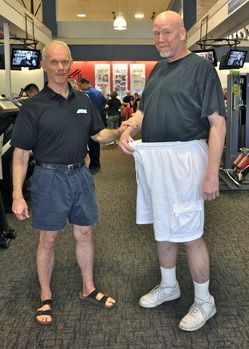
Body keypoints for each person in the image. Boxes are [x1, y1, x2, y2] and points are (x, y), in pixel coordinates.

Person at [119, 11, 226, 332]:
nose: (161, 39)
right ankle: (169, 286)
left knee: (190, 234)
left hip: (186, 158)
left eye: (167, 33)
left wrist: (212, 172)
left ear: (182, 33)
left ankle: (205, 300)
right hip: (155, 160)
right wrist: (128, 128)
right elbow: (143, 112)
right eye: (156, 33)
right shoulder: (156, 71)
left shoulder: (201, 69)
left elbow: (217, 124)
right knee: (163, 228)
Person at [11, 40, 123, 326]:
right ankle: (45, 296)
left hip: (80, 177)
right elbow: (21, 155)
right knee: (48, 239)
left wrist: (122, 131)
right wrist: (17, 195)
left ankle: (88, 287)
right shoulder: (32, 107)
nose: (60, 68)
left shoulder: (84, 100)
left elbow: (98, 135)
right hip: (49, 178)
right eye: (54, 62)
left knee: (85, 233)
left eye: (65, 62)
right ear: (44, 64)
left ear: (71, 63)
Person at [79, 78, 107, 174]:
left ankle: (92, 165)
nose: (80, 88)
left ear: (84, 84)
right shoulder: (97, 92)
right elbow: (104, 102)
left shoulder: (86, 94)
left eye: (80, 85)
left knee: (90, 143)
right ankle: (96, 164)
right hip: (98, 117)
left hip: (89, 119)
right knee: (96, 141)